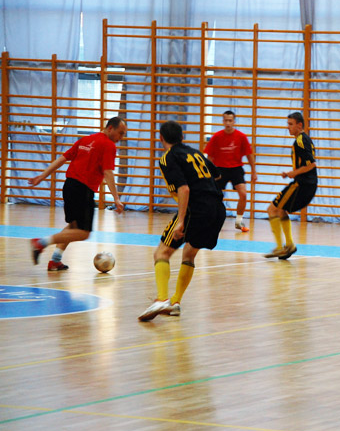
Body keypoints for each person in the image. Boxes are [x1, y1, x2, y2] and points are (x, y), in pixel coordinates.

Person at [138, 120, 226, 321]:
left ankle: (162, 299)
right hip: (217, 209)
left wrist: (181, 220)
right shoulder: (195, 153)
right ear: (182, 136)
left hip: (196, 209)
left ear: (161, 138)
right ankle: (175, 302)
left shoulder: (168, 157)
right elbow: (217, 175)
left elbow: (184, 189)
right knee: (189, 254)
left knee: (162, 252)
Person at [29, 117, 127, 271]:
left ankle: (55, 261)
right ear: (110, 128)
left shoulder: (85, 140)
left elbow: (62, 159)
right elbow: (108, 173)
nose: (121, 137)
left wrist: (42, 176)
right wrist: (116, 198)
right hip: (83, 190)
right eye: (120, 133)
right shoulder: (108, 145)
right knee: (83, 233)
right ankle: (40, 243)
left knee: (73, 227)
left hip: (69, 186)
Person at [263, 112, 317, 260]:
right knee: (281, 211)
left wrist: (293, 173)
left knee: (272, 209)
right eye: (288, 124)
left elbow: (311, 164)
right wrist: (290, 173)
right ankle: (289, 246)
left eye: (291, 124)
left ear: (299, 125)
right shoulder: (303, 139)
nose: (288, 127)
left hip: (302, 185)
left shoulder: (300, 141)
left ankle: (281, 247)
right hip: (304, 184)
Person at [202, 110, 257, 232]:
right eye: (226, 120)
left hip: (236, 169)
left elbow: (249, 155)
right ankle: (213, 220)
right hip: (220, 169)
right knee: (215, 197)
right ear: (223, 121)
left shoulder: (241, 137)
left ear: (234, 121)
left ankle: (238, 221)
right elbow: (209, 157)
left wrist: (254, 171)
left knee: (243, 194)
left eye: (230, 121)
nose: (228, 123)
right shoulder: (217, 137)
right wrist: (207, 173)